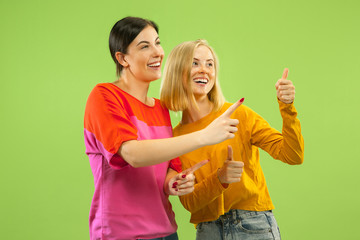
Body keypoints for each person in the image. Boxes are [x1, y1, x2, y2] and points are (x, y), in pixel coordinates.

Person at [83, 18, 244, 240]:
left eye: (157, 43)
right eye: (145, 46)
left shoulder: (160, 108)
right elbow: (132, 154)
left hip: (166, 232)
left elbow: (168, 169)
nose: (157, 52)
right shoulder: (104, 96)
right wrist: (204, 136)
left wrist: (175, 182)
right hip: (121, 234)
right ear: (122, 58)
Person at [160, 39, 304, 240]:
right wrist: (220, 178)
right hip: (207, 230)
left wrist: (287, 107)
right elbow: (189, 203)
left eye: (210, 64)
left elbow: (293, 155)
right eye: (195, 63)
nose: (204, 70)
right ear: (176, 71)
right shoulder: (174, 139)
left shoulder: (239, 115)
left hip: (253, 225)